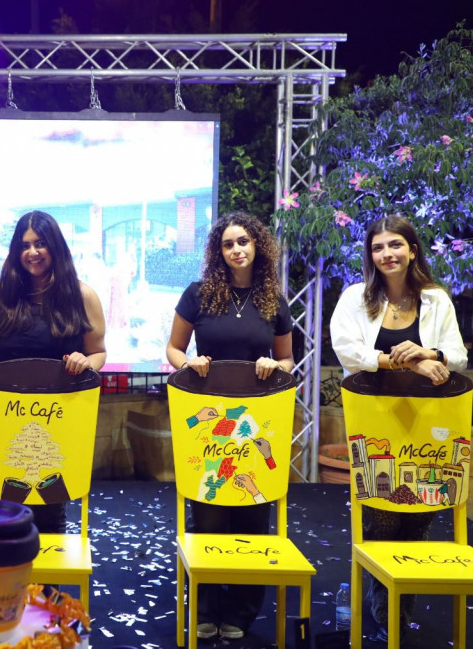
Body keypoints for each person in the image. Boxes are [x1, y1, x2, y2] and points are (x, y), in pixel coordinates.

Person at [330, 214, 467, 635]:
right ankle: (386, 607)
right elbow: (348, 352)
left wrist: (431, 355)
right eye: (378, 247)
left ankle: (396, 607)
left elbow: (458, 355)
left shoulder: (436, 299)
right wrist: (406, 362)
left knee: (419, 516)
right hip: (375, 423)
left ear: (412, 250)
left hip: (429, 424)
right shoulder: (355, 298)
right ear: (369, 255)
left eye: (395, 245)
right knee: (382, 517)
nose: (386, 254)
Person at [164, 211, 295, 641]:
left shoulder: (274, 299)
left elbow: (288, 360)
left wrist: (274, 365)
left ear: (257, 245)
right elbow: (173, 349)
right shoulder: (198, 294)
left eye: (243, 242)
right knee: (209, 511)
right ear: (218, 252)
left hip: (256, 424)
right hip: (211, 423)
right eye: (227, 244)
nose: (236, 249)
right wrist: (190, 362)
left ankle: (240, 611)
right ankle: (205, 606)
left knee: (253, 514)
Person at [0, 210, 107, 533]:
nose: (32, 252)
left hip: (57, 421)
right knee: (2, 510)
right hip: (2, 420)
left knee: (50, 513)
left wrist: (86, 362)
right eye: (25, 245)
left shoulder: (82, 296)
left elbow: (98, 352)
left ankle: (48, 569)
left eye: (40, 243)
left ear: (55, 246)